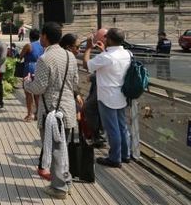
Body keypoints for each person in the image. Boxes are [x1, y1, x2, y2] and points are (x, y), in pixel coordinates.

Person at [24, 22, 78, 200]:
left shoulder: (44, 59)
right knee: (64, 148)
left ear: (45, 36)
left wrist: (26, 83)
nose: (40, 38)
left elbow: (39, 88)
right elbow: (75, 83)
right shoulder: (70, 56)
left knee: (55, 149)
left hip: (51, 111)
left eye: (41, 35)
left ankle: (59, 188)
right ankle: (66, 181)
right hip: (68, 109)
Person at [83, 28, 131, 168]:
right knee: (122, 126)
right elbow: (110, 62)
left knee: (112, 129)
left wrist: (88, 49)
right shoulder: (127, 53)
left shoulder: (106, 57)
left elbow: (88, 65)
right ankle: (125, 154)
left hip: (107, 96)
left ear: (109, 39)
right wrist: (104, 50)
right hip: (121, 94)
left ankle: (114, 158)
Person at [20, 28, 43, 122]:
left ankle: (30, 114)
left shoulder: (28, 46)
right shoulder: (42, 46)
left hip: (29, 68)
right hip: (39, 68)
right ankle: (38, 114)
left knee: (28, 93)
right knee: (37, 93)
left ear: (29, 36)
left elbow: (20, 56)